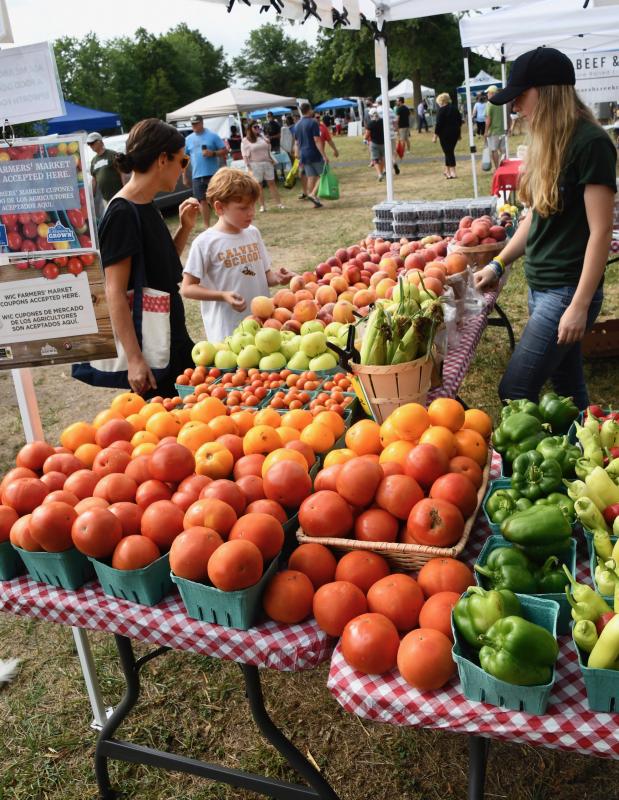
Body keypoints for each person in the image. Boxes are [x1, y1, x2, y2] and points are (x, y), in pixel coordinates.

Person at [474, 47, 616, 410]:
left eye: (520, 96)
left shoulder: (592, 144)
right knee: (567, 385)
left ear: (547, 92)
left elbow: (601, 232)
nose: (515, 106)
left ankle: (533, 465)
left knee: (515, 389)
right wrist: (498, 263)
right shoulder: (547, 143)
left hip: (567, 292)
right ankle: (584, 459)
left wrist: (579, 306)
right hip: (542, 288)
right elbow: (534, 219)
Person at [92, 118, 200, 397]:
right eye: (183, 160)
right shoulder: (122, 213)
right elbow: (113, 290)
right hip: (151, 346)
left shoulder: (145, 203)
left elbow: (162, 267)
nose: (184, 168)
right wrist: (135, 360)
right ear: (163, 159)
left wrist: (185, 228)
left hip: (169, 333)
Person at [181, 168, 295, 342]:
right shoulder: (205, 243)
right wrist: (222, 295)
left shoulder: (253, 233)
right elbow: (187, 288)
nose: (251, 212)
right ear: (219, 207)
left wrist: (278, 278)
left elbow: (265, 276)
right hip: (228, 332)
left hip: (263, 326)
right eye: (242, 208)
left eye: (252, 206)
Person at [184, 114, 227, 226]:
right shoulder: (188, 139)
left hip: (212, 174)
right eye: (193, 124)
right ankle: (207, 226)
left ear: (202, 123)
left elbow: (224, 150)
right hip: (197, 175)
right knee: (201, 201)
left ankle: (222, 222)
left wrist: (213, 153)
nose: (194, 126)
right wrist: (184, 175)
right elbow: (184, 158)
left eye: (196, 123)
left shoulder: (212, 136)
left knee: (217, 199)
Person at [241, 122, 284, 213]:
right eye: (255, 127)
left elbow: (268, 147)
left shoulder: (261, 137)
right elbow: (244, 155)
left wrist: (265, 139)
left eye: (258, 126)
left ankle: (279, 203)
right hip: (255, 164)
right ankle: (262, 206)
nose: (257, 128)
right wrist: (248, 166)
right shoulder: (245, 140)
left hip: (267, 162)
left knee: (272, 183)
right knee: (259, 186)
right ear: (249, 128)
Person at [294, 102, 328, 208]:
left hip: (304, 154)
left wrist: (296, 152)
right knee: (324, 174)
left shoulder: (297, 124)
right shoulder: (313, 122)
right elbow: (317, 140)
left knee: (311, 177)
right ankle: (313, 194)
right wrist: (324, 155)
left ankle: (314, 199)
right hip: (314, 152)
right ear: (309, 110)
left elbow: (296, 142)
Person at [86, 132, 126, 213]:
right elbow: (94, 179)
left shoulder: (112, 154)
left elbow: (122, 172)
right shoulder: (94, 160)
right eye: (89, 144)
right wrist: (92, 196)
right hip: (106, 198)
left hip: (120, 194)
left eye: (92, 143)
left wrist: (126, 189)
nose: (90, 146)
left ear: (99, 142)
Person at [365, 107, 400, 182]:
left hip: (374, 143)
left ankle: (379, 174)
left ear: (370, 115)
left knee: (375, 159)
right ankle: (384, 169)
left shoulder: (370, 123)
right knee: (383, 158)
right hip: (384, 142)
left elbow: (367, 135)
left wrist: (365, 139)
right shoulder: (383, 121)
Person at [433, 93, 462, 179]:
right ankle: (447, 170)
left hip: (445, 134)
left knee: (448, 152)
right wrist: (459, 133)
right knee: (449, 151)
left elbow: (439, 124)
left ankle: (453, 172)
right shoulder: (454, 108)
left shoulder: (441, 110)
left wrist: (435, 136)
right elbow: (460, 121)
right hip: (455, 133)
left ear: (441, 101)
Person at [485, 86, 506, 169]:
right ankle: (505, 166)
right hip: (502, 130)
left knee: (494, 150)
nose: (487, 94)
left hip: (493, 131)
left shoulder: (490, 103)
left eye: (488, 93)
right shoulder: (502, 102)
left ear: (492, 93)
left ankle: (497, 168)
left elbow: (488, 119)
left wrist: (486, 131)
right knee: (503, 150)